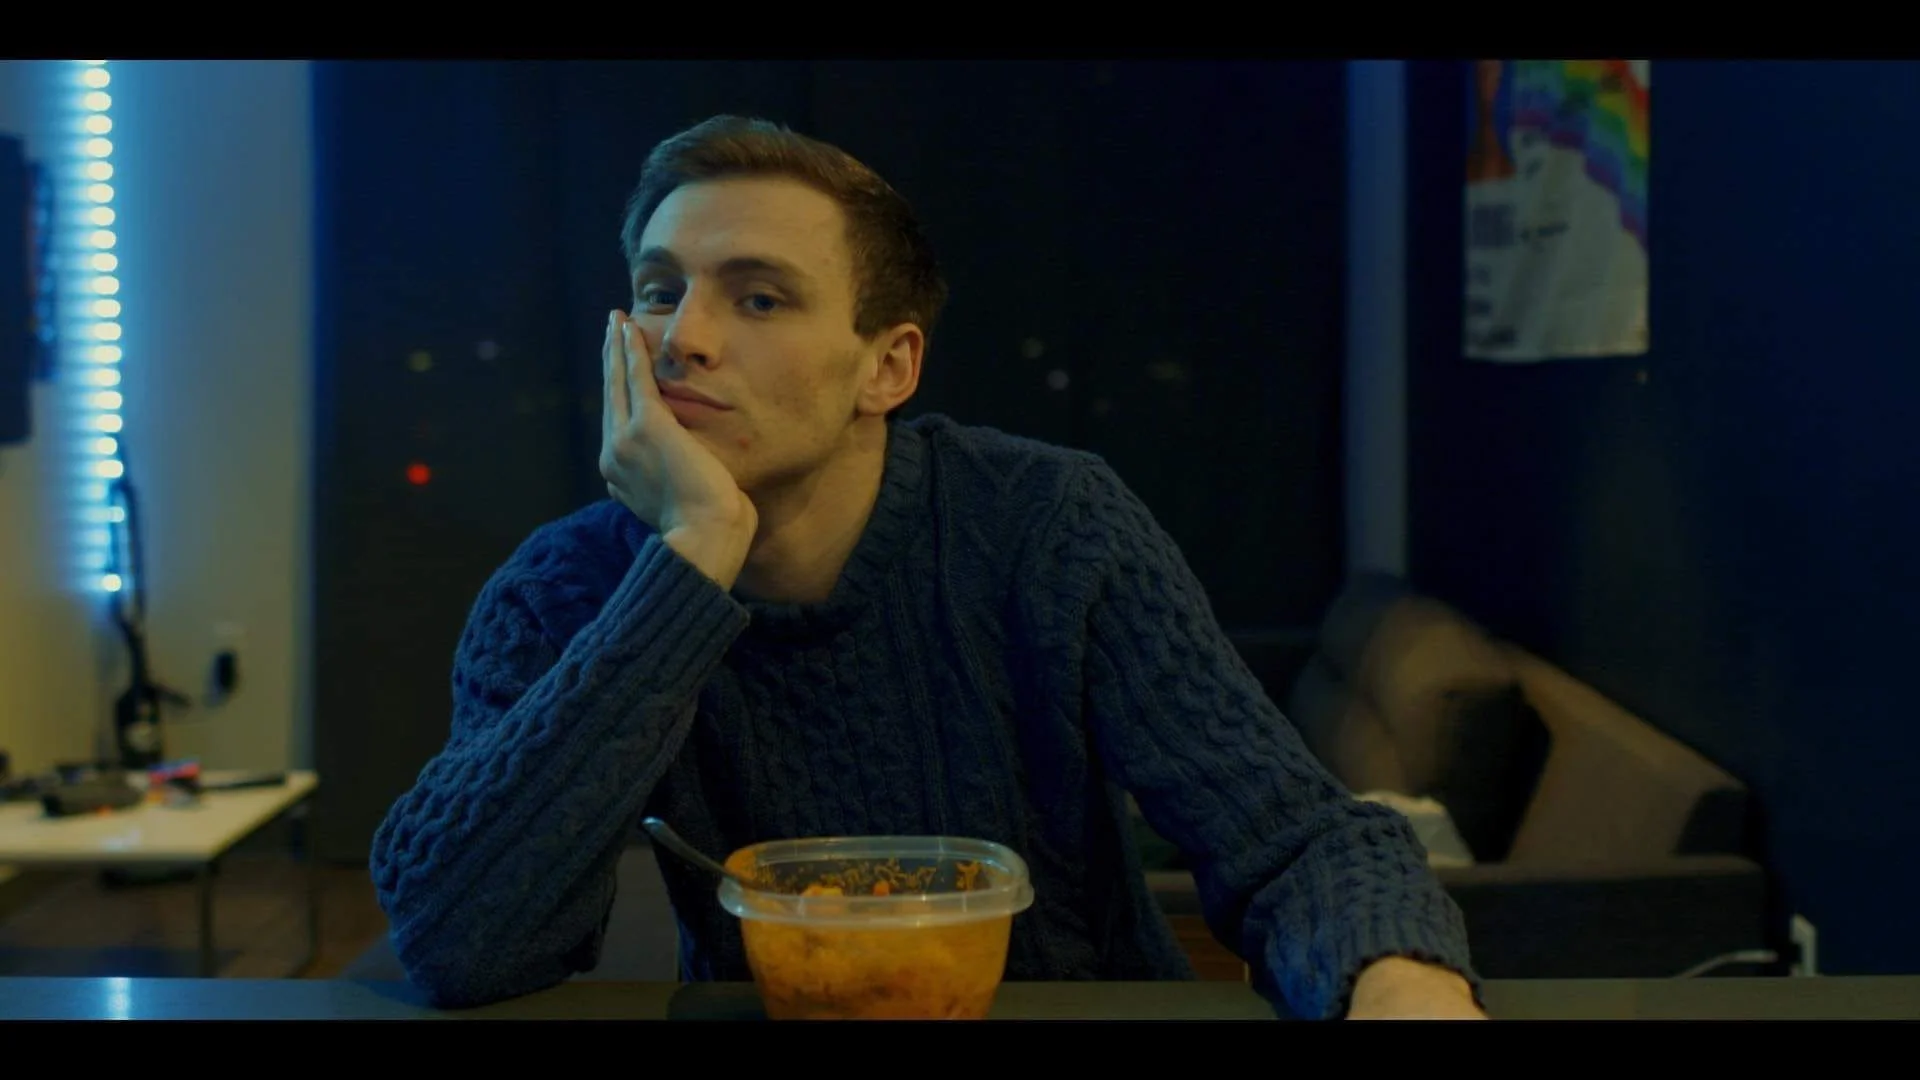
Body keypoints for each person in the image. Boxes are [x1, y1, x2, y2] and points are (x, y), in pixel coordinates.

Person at [370, 115, 1487, 1021]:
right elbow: (458, 941)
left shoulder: (1045, 523)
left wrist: (1403, 986)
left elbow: (1290, 835)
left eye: (758, 298)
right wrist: (692, 557)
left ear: (888, 367)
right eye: (660, 290)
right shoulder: (566, 588)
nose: (683, 338)